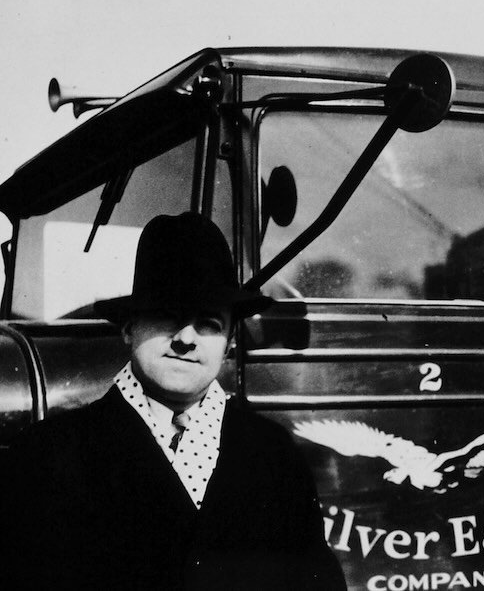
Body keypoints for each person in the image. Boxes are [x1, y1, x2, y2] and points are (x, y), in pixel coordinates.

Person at [4, 212, 346, 591]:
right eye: (167, 316)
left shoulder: (275, 453)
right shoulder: (48, 453)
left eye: (208, 324)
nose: (185, 338)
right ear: (129, 328)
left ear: (229, 342)